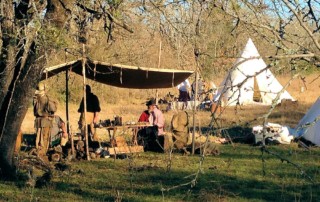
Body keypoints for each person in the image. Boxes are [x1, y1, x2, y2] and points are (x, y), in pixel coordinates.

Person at [33, 82, 57, 160]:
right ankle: (42, 153)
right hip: (45, 120)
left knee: (38, 138)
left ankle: (38, 151)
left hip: (38, 120)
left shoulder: (35, 99)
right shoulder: (47, 99)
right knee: (45, 138)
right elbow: (53, 109)